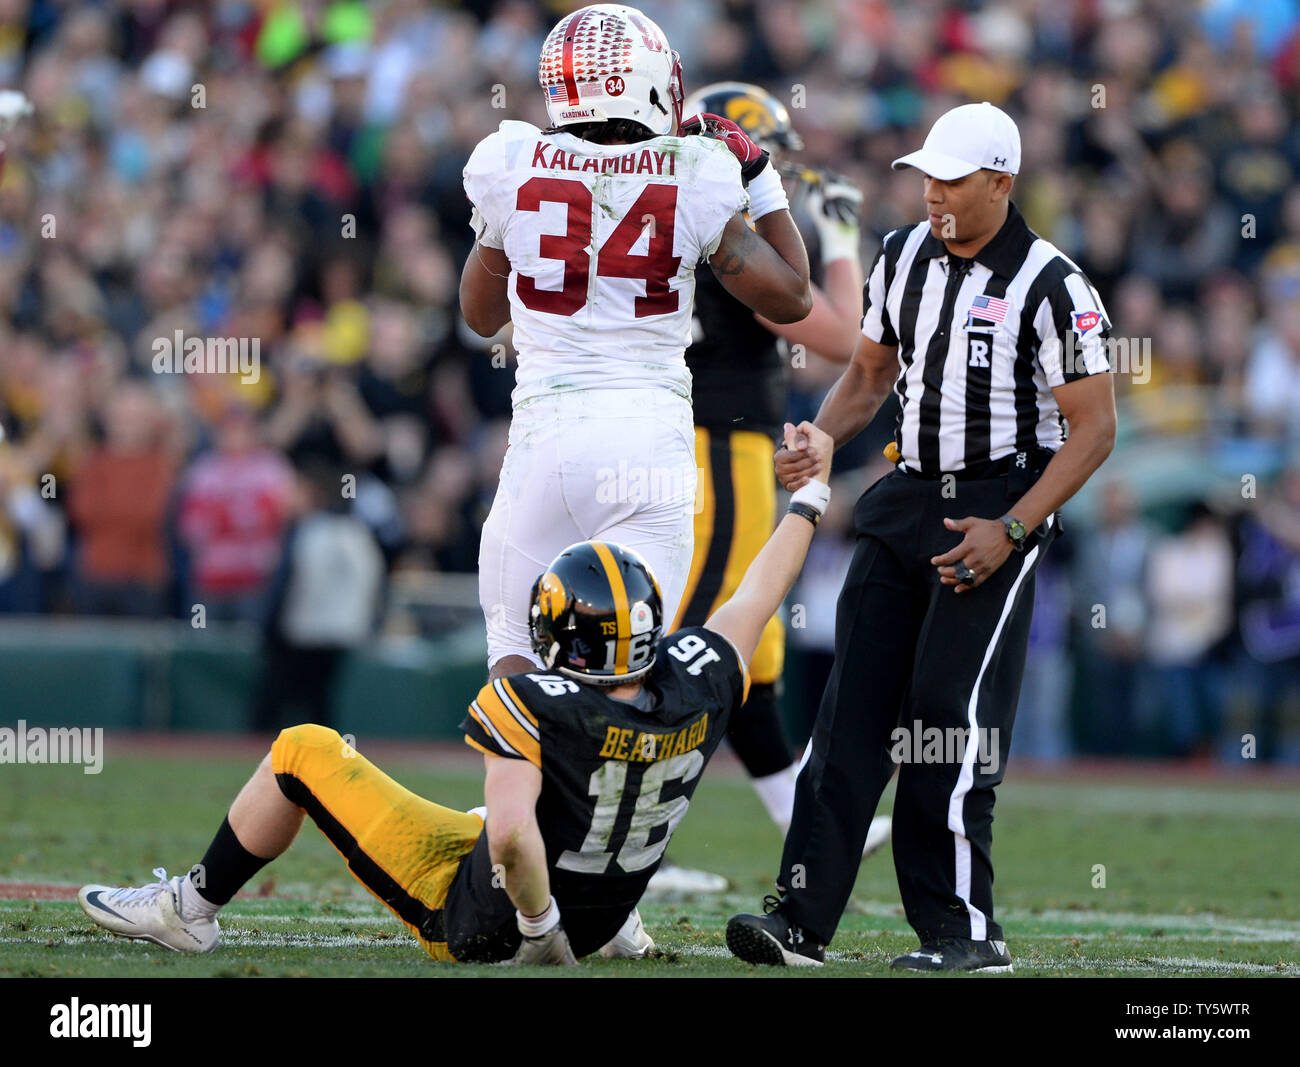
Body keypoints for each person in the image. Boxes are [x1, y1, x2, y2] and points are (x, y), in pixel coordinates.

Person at [76, 422, 838, 965]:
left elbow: (510, 838)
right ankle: (620, 924)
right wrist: (812, 496)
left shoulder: (535, 699)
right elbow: (761, 589)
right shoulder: (700, 676)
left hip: (486, 922)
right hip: (600, 905)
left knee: (301, 749)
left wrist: (539, 928)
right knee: (523, 813)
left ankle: (190, 911)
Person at [727, 102, 1117, 971]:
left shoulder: (1054, 284)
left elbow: (1094, 429)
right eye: (926, 176)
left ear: (1001, 184)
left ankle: (963, 932)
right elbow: (869, 375)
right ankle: (800, 918)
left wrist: (1013, 526)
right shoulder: (903, 256)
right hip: (906, 496)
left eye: (952, 178)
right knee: (848, 715)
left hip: (1000, 500)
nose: (933, 193)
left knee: (949, 719)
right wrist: (823, 437)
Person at [458, 4, 812, 689]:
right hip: (648, 442)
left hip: (545, 439)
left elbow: (478, 316)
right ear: (652, 82)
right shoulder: (695, 170)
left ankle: (513, 796)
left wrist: (506, 228)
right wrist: (761, 181)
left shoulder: (513, 159)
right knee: (626, 668)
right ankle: (613, 798)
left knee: (513, 657)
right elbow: (794, 297)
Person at [649, 81, 887, 895]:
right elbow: (845, 342)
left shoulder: (673, 220)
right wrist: (844, 241)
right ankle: (633, 837)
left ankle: (803, 820)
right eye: (767, 153)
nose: (778, 170)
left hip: (716, 445)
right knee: (704, 636)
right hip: (714, 447)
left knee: (755, 647)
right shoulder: (727, 242)